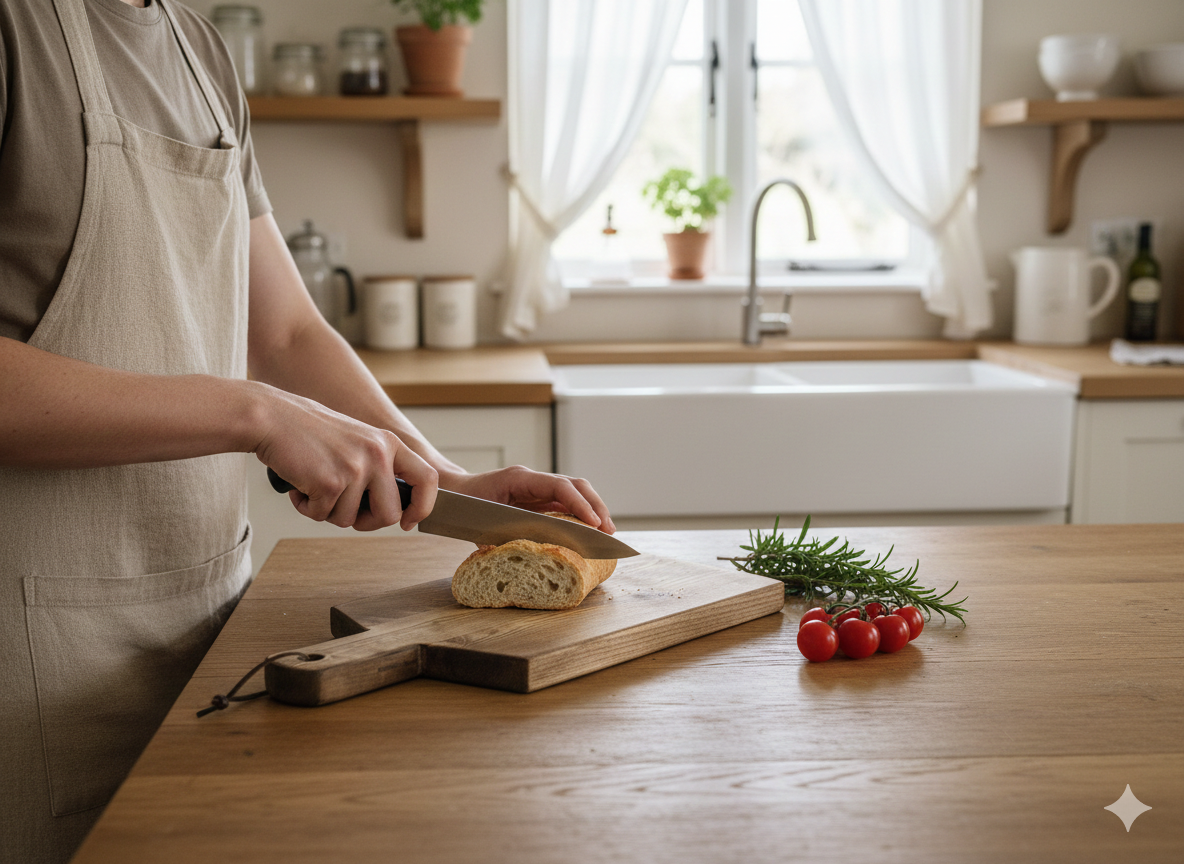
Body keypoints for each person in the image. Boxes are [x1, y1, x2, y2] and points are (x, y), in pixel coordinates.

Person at [0, 1, 615, 861]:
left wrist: (445, 480)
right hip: (33, 656)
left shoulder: (198, 51)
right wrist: (255, 413)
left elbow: (285, 331)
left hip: (204, 621)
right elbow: (265, 383)